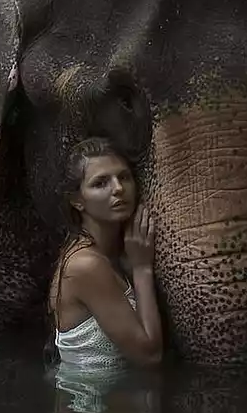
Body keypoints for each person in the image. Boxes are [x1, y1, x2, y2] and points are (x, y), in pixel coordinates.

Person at [48, 136, 164, 379]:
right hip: (93, 401)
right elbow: (149, 356)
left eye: (124, 177)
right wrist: (142, 268)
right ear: (77, 201)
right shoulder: (85, 265)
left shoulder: (109, 253)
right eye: (101, 183)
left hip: (120, 396)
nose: (118, 188)